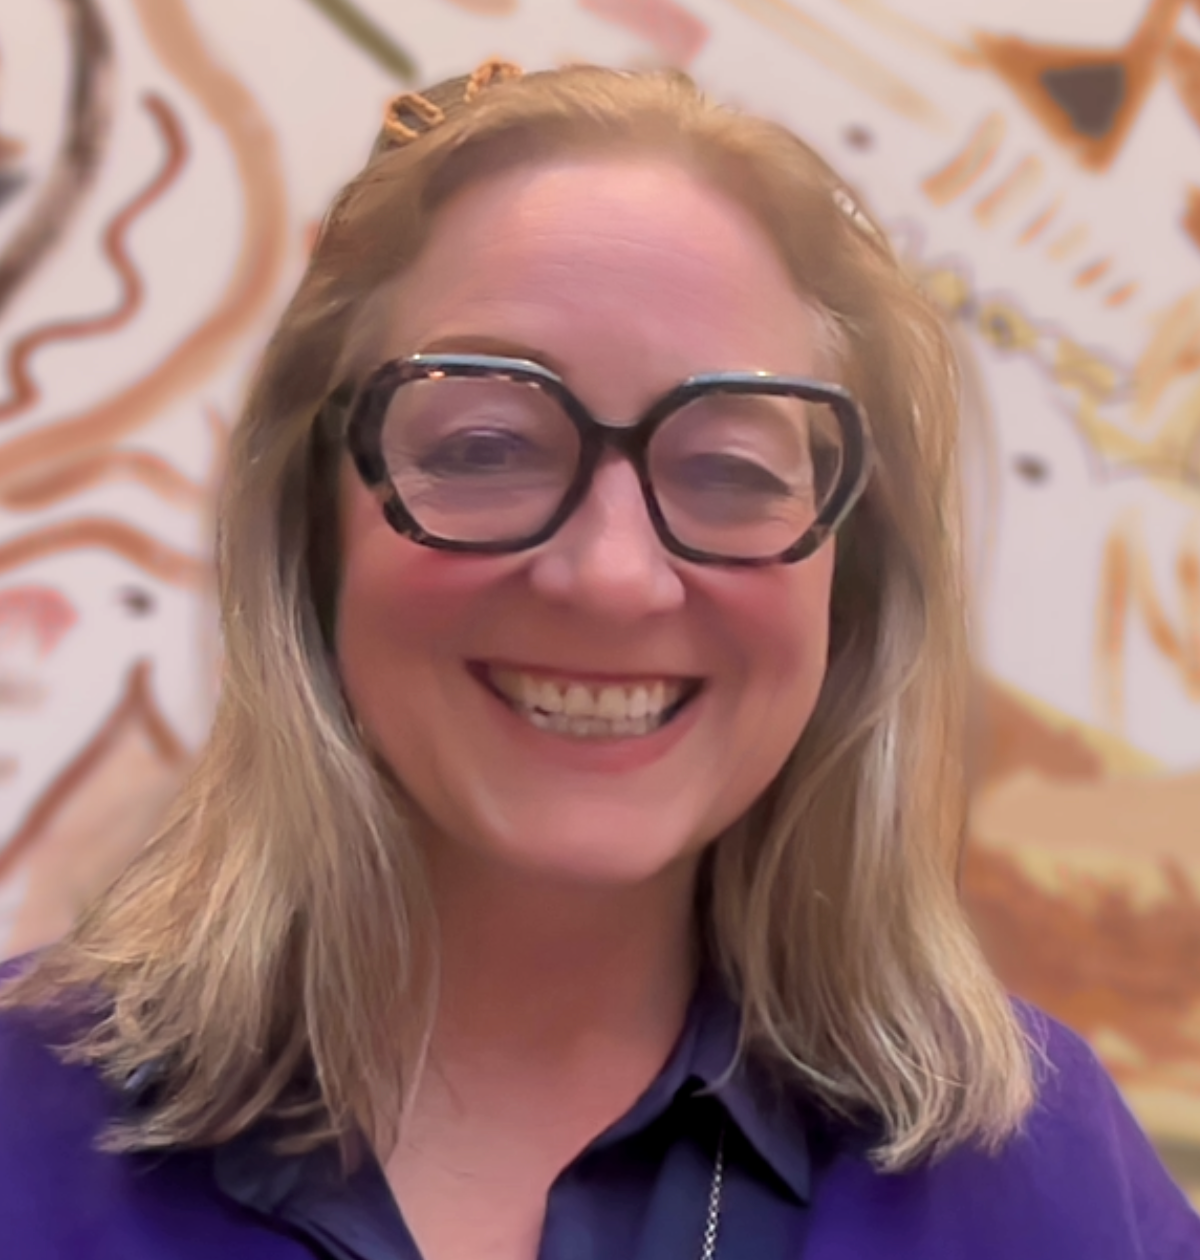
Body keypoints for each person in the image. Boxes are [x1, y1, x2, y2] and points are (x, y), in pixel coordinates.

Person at [0, 59, 1196, 1260]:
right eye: (483, 445)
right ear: (313, 527)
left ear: (849, 584)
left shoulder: (1040, 1181)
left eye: (731, 470)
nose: (613, 576)